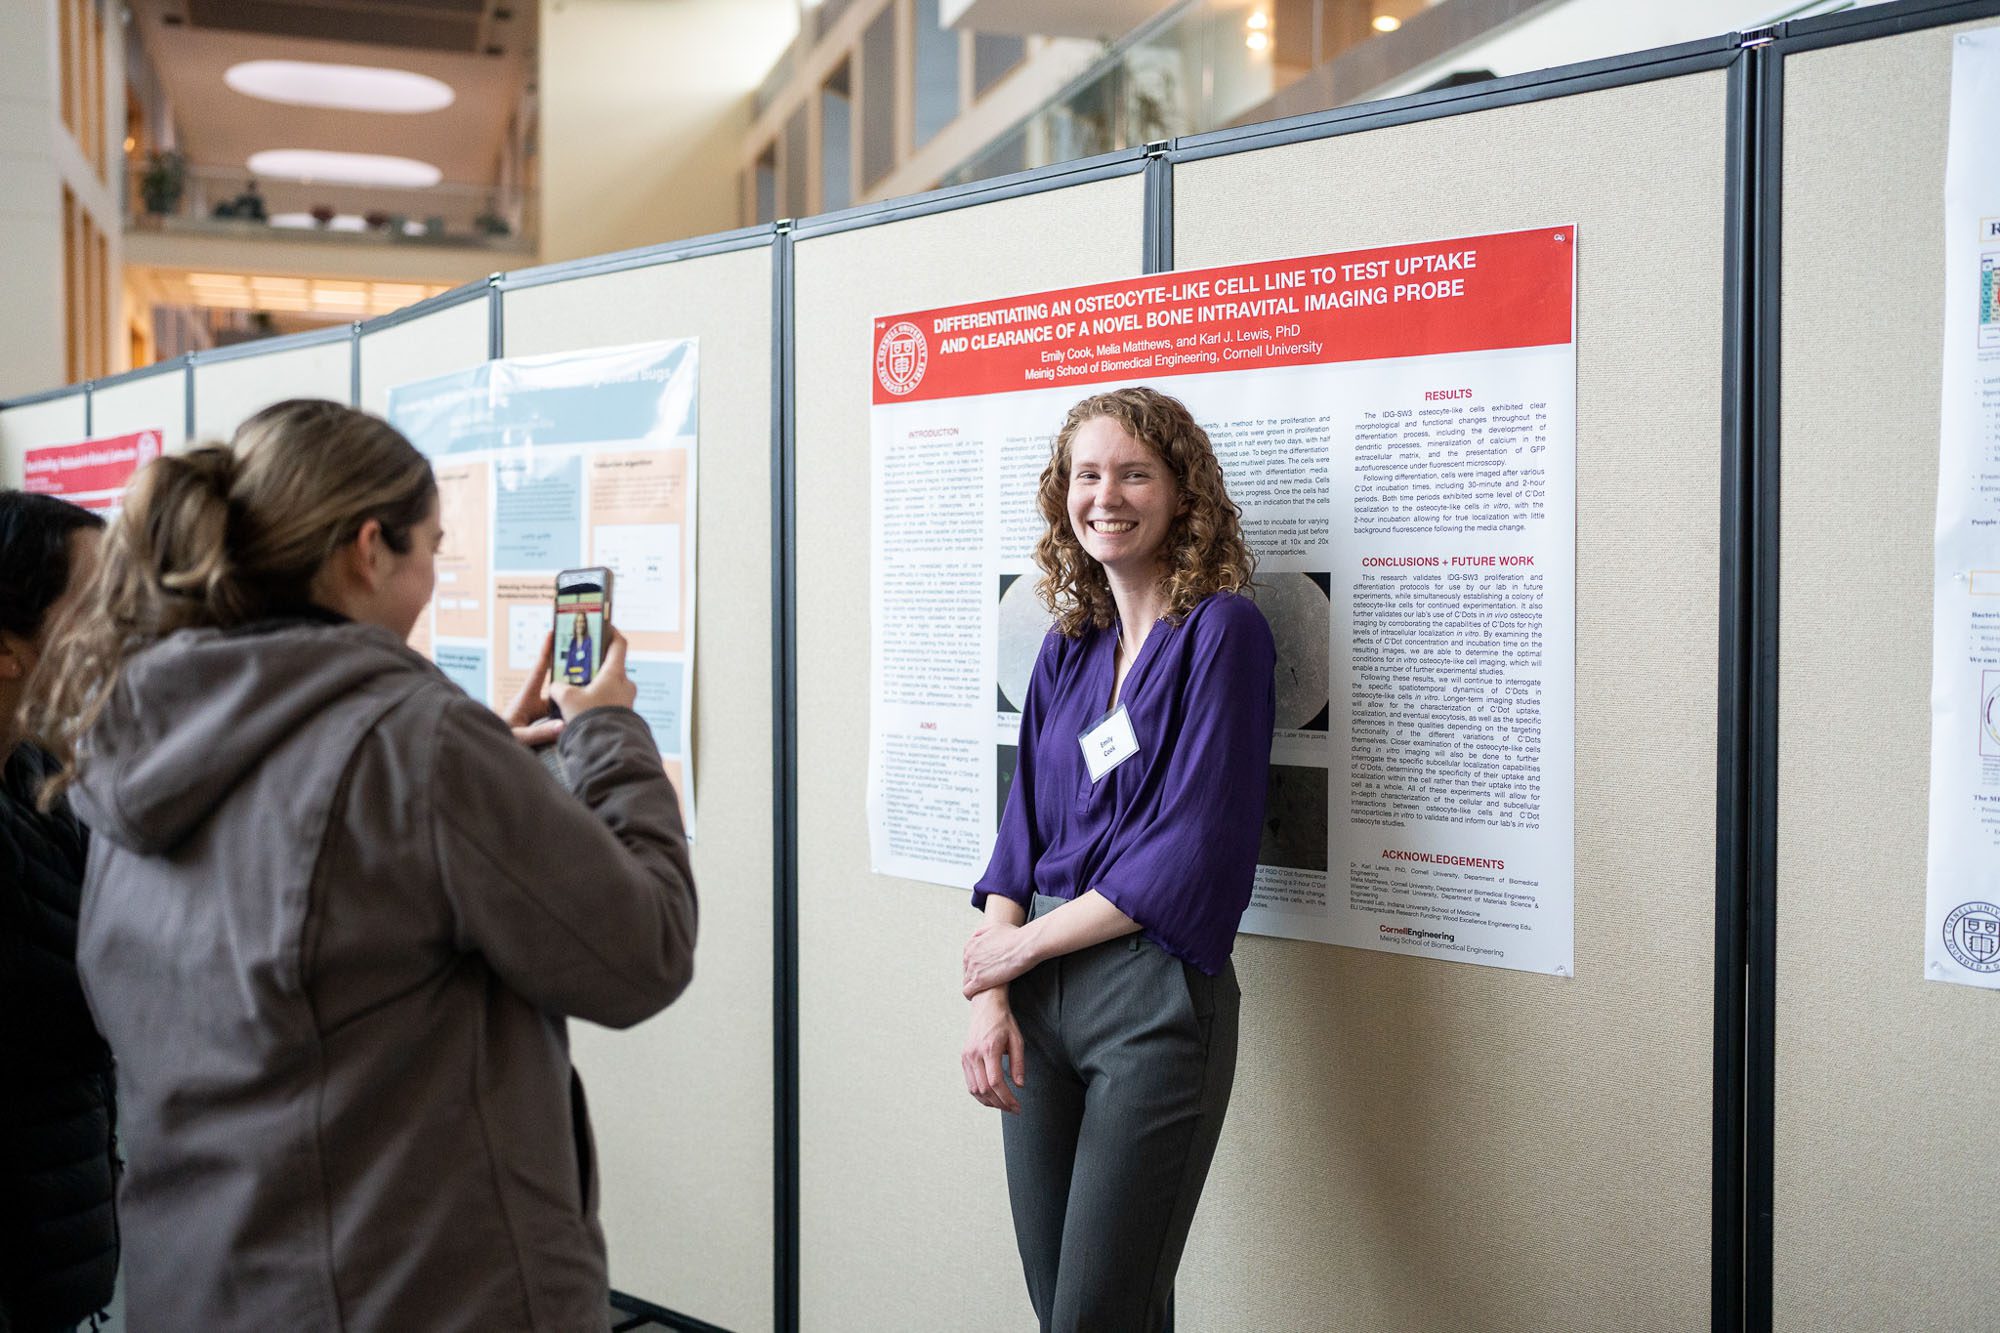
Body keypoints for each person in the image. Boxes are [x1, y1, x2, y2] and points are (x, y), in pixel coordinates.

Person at [26, 399, 698, 1331]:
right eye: (430, 546)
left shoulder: (130, 739)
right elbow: (644, 949)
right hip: (418, 1296)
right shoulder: (415, 747)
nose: (432, 574)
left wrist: (475, 760)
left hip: (205, 1288)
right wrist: (609, 731)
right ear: (366, 548)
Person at [958, 386, 1275, 1331]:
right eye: (1087, 474)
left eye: (1136, 472)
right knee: (1067, 1303)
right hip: (1036, 999)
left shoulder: (1224, 633)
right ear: (1064, 494)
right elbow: (1021, 832)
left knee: (1096, 1315)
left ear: (1184, 494)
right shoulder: (1068, 648)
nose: (1108, 495)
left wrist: (1020, 950)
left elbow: (1193, 849)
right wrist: (991, 993)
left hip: (1152, 999)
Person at [0, 492, 115, 1333]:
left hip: (52, 1254)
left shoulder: (34, 770)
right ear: (8, 646)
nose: (126, 628)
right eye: (99, 605)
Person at [563, 607, 595, 684]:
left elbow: (587, 667)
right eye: (577, 621)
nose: (579, 624)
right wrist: (566, 675)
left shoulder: (588, 641)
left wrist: (580, 678)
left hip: (583, 683)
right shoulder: (573, 642)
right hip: (572, 681)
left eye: (582, 621)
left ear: (585, 624)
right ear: (575, 624)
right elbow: (569, 664)